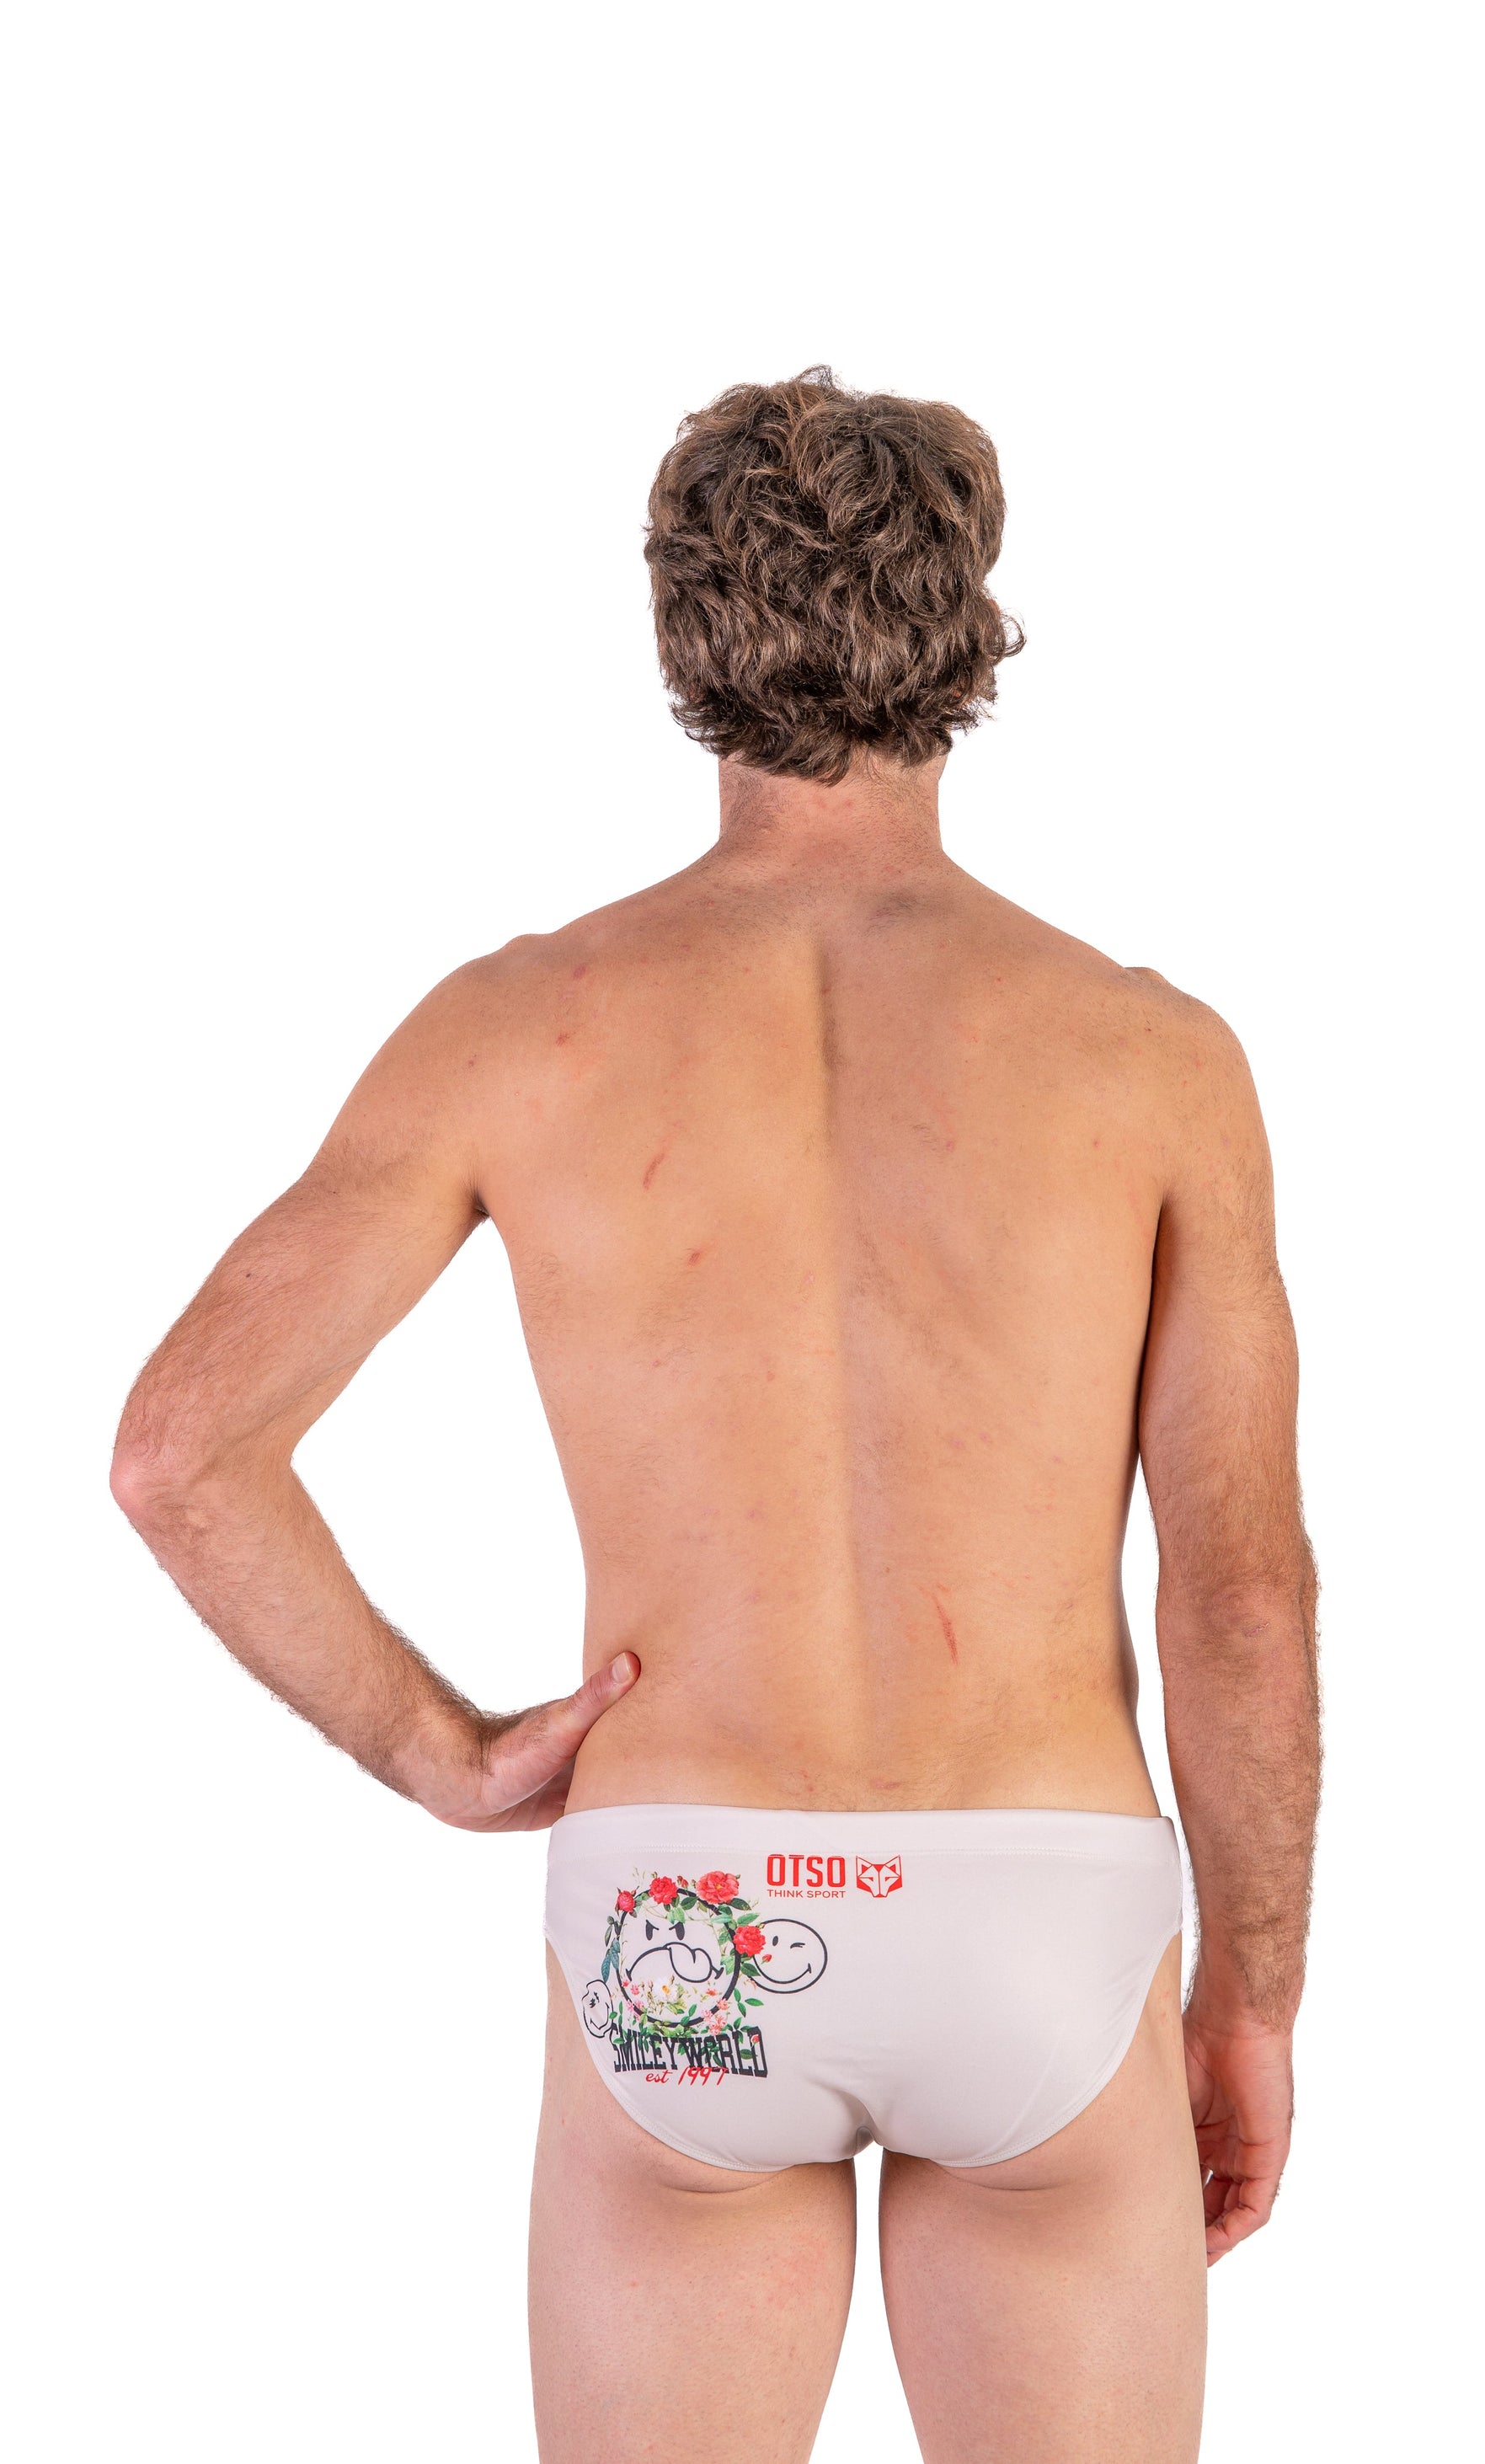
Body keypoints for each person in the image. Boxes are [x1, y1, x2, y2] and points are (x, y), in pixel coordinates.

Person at [113, 367, 1320, 2463]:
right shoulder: (1150, 1057)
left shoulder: (514, 1027)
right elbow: (1240, 1598)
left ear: (683, 629)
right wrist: (1254, 1994)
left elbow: (181, 1453)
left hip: (692, 1909)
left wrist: (437, 1748)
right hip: (1035, 1904)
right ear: (968, 622)